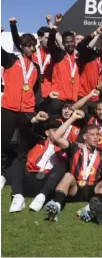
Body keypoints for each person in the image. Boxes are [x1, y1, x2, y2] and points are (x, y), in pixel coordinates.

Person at [44, 110, 102, 222]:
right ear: (85, 136)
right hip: (76, 187)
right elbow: (56, 137)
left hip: (93, 190)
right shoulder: (75, 148)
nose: (96, 138)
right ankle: (55, 205)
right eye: (92, 135)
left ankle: (91, 206)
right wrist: (72, 118)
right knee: (68, 175)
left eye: (97, 134)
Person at [1, 21, 41, 188]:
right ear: (22, 47)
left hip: (27, 111)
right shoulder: (11, 59)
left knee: (25, 145)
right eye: (29, 46)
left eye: (34, 46)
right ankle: (2, 173)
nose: (32, 49)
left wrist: (37, 110)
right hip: (9, 108)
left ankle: (21, 174)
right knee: (3, 143)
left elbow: (37, 91)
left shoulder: (36, 67)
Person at [7, 112, 67, 212]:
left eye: (59, 131)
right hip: (29, 178)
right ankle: (18, 197)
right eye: (54, 131)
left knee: (61, 165)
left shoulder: (64, 148)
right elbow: (25, 130)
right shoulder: (37, 141)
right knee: (19, 161)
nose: (57, 134)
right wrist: (35, 119)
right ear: (47, 133)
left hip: (46, 183)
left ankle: (41, 197)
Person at [10, 16, 53, 99]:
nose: (50, 40)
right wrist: (13, 25)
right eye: (47, 38)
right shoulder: (31, 51)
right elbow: (18, 41)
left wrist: (52, 23)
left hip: (48, 93)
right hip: (31, 91)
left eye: (51, 38)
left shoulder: (54, 55)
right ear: (40, 38)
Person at [76, 26, 102, 100]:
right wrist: (95, 33)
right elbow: (80, 46)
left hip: (96, 97)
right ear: (100, 47)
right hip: (83, 94)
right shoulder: (91, 55)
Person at [47, 22, 80, 103]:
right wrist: (55, 27)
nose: (69, 44)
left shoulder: (79, 57)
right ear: (63, 43)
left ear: (74, 42)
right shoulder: (59, 55)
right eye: (67, 42)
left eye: (71, 41)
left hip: (74, 99)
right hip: (59, 98)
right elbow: (50, 44)